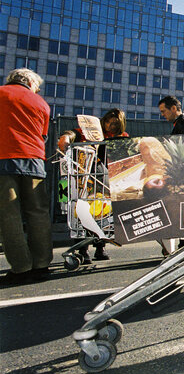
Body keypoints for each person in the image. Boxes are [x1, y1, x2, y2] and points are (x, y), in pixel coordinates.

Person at [0, 69, 52, 284]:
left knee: (8, 214)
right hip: (35, 159)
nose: (37, 90)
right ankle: (41, 264)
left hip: (4, 156)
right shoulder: (41, 103)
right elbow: (43, 134)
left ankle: (21, 267)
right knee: (38, 212)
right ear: (30, 82)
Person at [58, 108, 129, 262]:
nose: (110, 125)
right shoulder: (92, 131)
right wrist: (66, 137)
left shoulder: (122, 138)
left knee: (103, 214)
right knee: (82, 212)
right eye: (108, 121)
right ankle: (82, 249)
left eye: (114, 123)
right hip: (83, 178)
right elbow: (73, 133)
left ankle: (100, 247)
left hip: (105, 181)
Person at [157, 96, 184, 254]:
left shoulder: (183, 125)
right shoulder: (183, 123)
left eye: (164, 111)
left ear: (174, 108)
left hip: (183, 176)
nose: (162, 114)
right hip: (183, 175)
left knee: (179, 210)